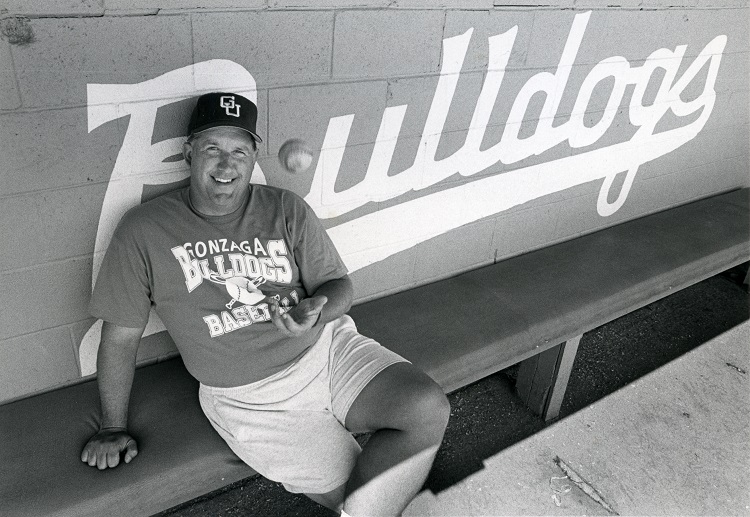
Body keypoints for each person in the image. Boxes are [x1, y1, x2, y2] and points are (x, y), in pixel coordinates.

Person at [80, 92, 450, 516]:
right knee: (363, 498)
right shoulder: (144, 229)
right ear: (188, 152)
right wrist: (111, 427)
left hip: (327, 350)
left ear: (253, 155)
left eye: (239, 150)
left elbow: (338, 284)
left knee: (425, 407)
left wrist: (317, 311)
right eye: (213, 148)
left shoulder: (283, 207)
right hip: (249, 399)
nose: (226, 164)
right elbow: (120, 338)